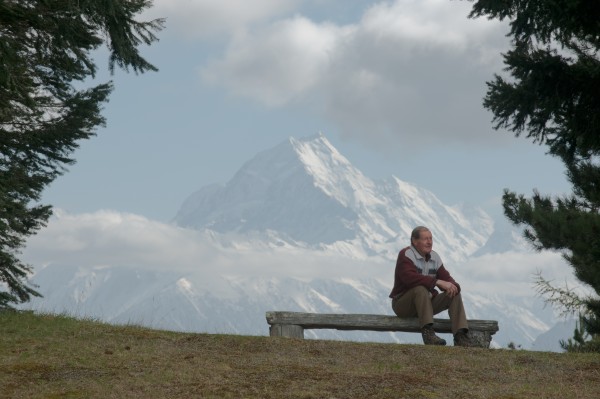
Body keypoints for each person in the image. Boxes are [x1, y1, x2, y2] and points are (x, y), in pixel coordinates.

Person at [389, 226, 471, 347]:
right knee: (420, 288)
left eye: (431, 238)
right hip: (403, 305)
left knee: (454, 294)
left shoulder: (435, 257)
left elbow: (448, 279)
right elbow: (410, 279)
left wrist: (454, 287)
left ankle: (460, 335)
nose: (429, 242)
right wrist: (437, 282)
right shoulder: (406, 255)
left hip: (425, 304)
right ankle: (428, 334)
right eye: (425, 239)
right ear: (414, 241)